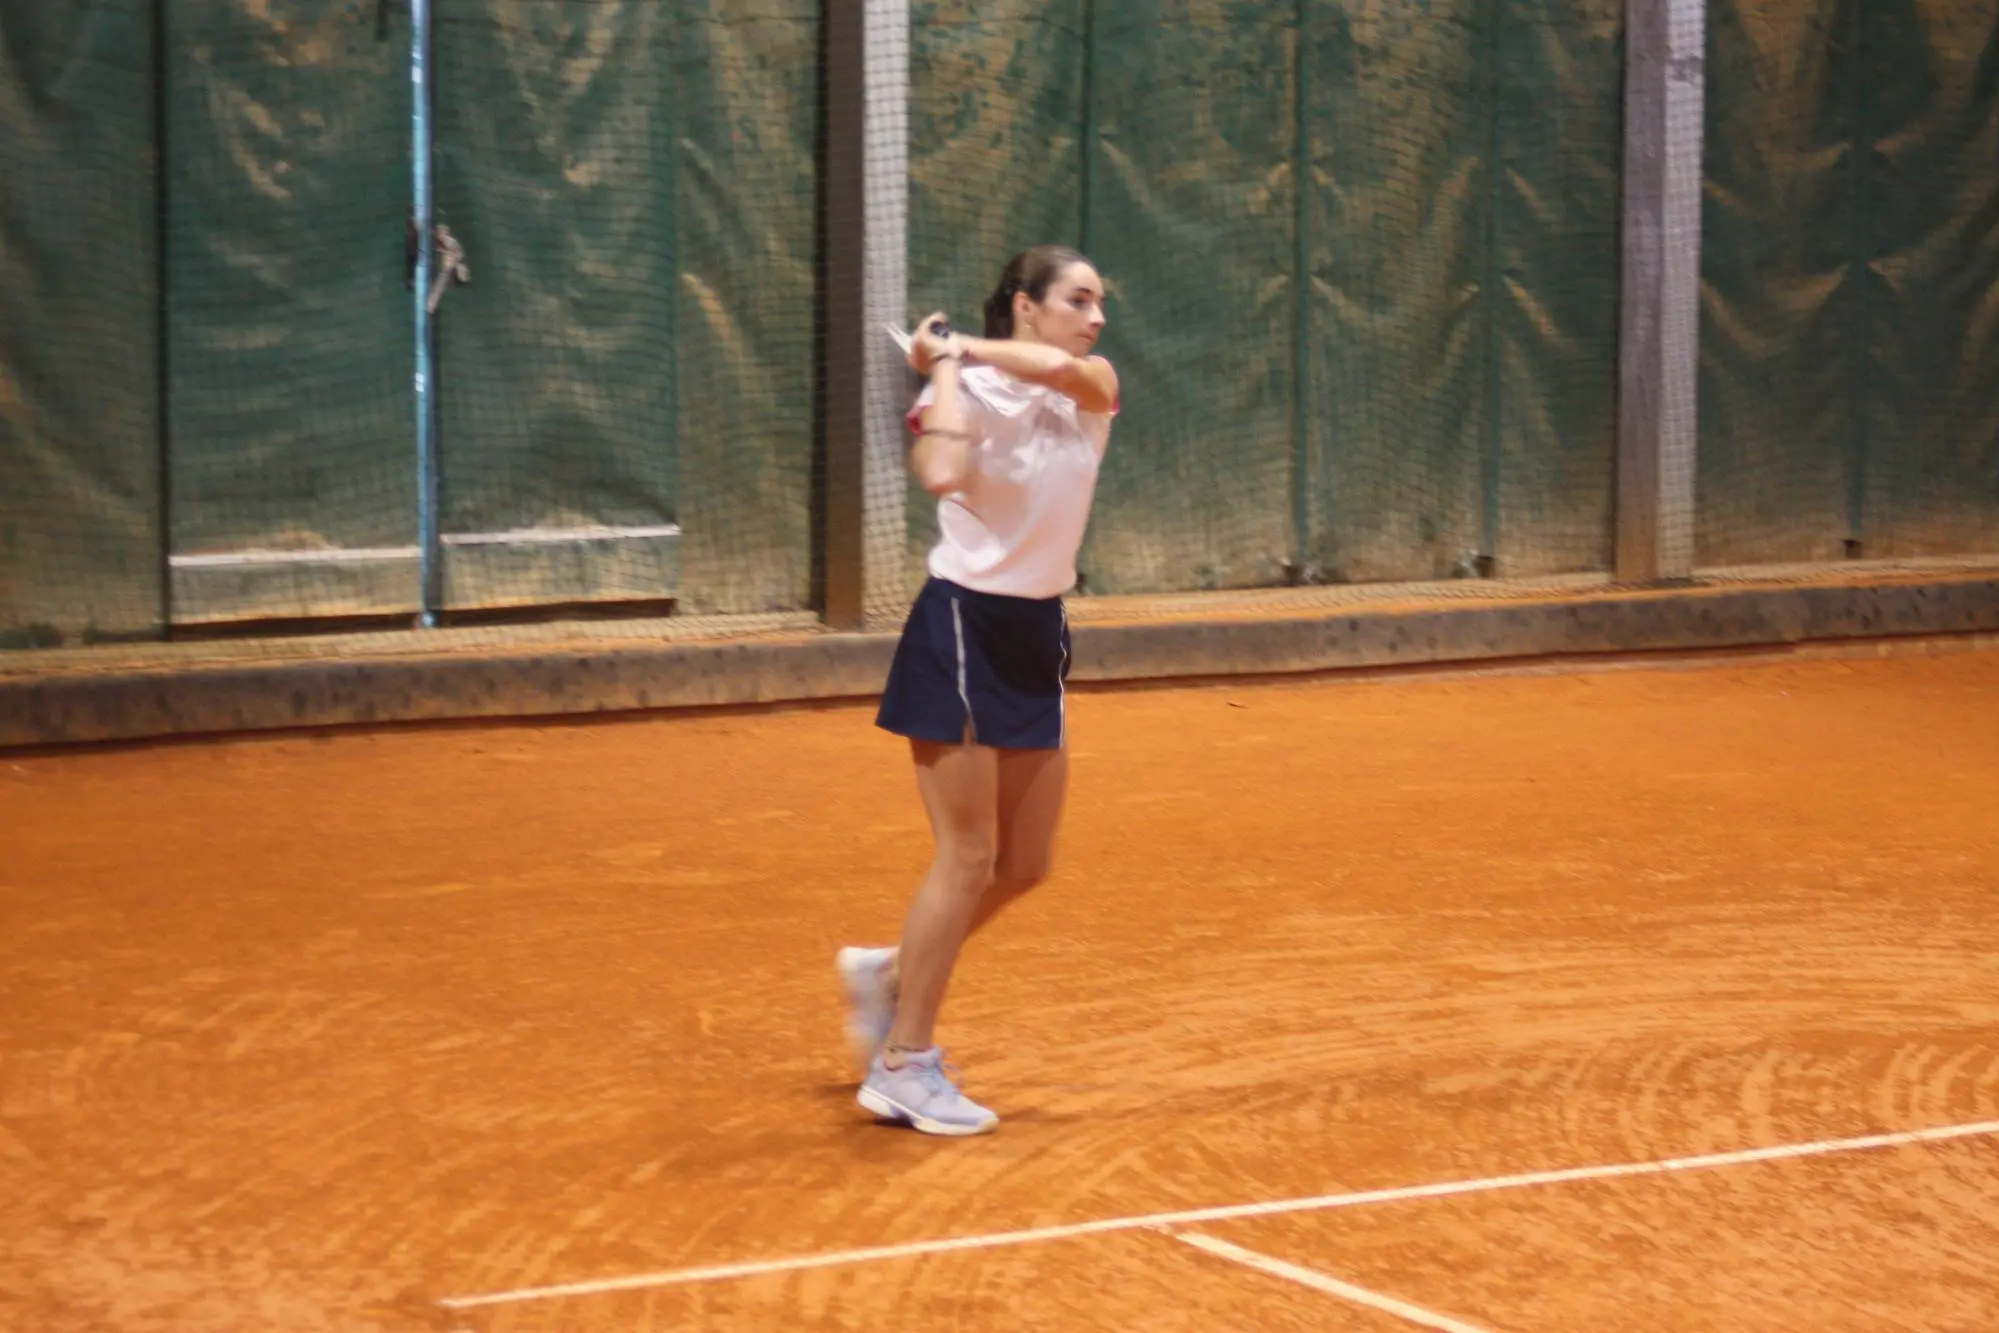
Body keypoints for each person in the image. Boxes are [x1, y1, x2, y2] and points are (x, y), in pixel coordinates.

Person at [837, 245, 1120, 1136]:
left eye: (1099, 299)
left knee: (1025, 862)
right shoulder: (957, 393)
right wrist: (949, 369)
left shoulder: (1087, 384)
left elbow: (1073, 373)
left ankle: (888, 975)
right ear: (1026, 305)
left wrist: (957, 345)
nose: (1096, 314)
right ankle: (903, 1065)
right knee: (965, 855)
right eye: (1079, 298)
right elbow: (940, 475)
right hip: (963, 625)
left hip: (1039, 631)